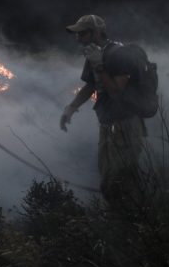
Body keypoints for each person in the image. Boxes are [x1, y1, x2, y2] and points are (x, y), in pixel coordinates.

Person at [59, 14, 145, 205]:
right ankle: (121, 220)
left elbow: (116, 92)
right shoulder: (94, 55)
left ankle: (136, 223)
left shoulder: (118, 55)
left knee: (120, 180)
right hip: (107, 124)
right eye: (77, 34)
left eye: (82, 34)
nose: (77, 38)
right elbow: (91, 86)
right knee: (107, 176)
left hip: (126, 124)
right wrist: (71, 108)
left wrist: (99, 66)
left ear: (96, 33)